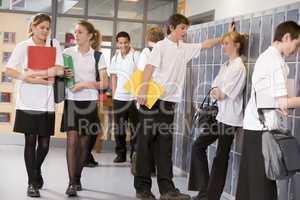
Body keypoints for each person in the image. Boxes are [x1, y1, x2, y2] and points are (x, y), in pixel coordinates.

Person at [135, 13, 234, 200]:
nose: (184, 32)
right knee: (145, 145)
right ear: (171, 28)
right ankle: (142, 189)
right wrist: (142, 91)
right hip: (152, 100)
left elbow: (205, 45)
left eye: (186, 29)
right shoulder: (161, 47)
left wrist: (224, 38)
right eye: (182, 28)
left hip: (169, 103)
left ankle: (167, 189)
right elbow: (148, 69)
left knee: (164, 146)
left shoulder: (184, 48)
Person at [236, 21, 300, 200]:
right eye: (296, 45)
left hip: (253, 126)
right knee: (263, 187)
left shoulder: (266, 57)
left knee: (249, 184)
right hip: (261, 131)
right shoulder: (275, 61)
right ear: (286, 37)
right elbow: (283, 103)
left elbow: (273, 100)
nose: (296, 50)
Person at [4, 13, 64, 198]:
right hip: (27, 101)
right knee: (30, 142)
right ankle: (32, 183)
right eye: (42, 27)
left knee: (44, 145)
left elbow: (60, 70)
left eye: (48, 28)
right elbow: (9, 69)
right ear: (33, 27)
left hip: (46, 102)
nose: (45, 31)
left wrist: (36, 74)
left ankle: (35, 171)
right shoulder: (23, 46)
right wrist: (26, 77)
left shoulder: (54, 45)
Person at [188, 30, 247, 200]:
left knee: (221, 156)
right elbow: (214, 88)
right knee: (198, 146)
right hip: (219, 115)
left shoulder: (239, 67)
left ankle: (211, 196)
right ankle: (205, 190)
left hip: (230, 119)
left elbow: (221, 93)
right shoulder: (226, 65)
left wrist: (217, 91)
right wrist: (217, 91)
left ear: (237, 45)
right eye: (224, 43)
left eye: (227, 43)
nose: (224, 46)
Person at [60, 20, 109, 197]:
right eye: (75, 31)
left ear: (89, 35)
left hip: (89, 103)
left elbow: (105, 83)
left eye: (80, 32)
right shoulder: (66, 53)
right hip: (71, 101)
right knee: (72, 140)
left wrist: (85, 84)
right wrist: (64, 77)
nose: (76, 34)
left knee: (83, 145)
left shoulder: (98, 56)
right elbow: (62, 76)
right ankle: (71, 183)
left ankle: (77, 177)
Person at [131, 26, 165, 176]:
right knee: (154, 136)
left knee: (145, 137)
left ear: (148, 38)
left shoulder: (146, 52)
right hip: (160, 97)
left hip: (146, 98)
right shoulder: (163, 52)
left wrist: (137, 99)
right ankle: (149, 167)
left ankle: (141, 166)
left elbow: (141, 74)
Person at [108, 31, 140, 163]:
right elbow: (113, 76)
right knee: (119, 128)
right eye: (121, 43)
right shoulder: (115, 58)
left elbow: (141, 73)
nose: (123, 45)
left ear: (129, 42)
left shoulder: (136, 55)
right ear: (117, 44)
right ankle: (120, 154)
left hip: (133, 99)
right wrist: (115, 94)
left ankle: (134, 154)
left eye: (126, 42)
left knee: (134, 129)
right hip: (119, 98)